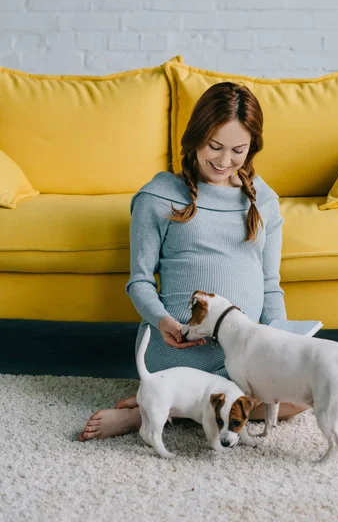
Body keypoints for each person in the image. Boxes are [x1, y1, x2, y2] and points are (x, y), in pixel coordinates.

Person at [79, 81, 307, 442]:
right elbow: (139, 280)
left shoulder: (263, 200)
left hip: (241, 354)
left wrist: (281, 341)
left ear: (253, 148)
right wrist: (163, 322)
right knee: (248, 396)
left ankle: (153, 408)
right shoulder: (158, 194)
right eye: (214, 146)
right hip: (179, 347)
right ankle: (166, 402)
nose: (223, 160)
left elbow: (269, 284)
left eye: (238, 150)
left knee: (304, 395)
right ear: (196, 138)